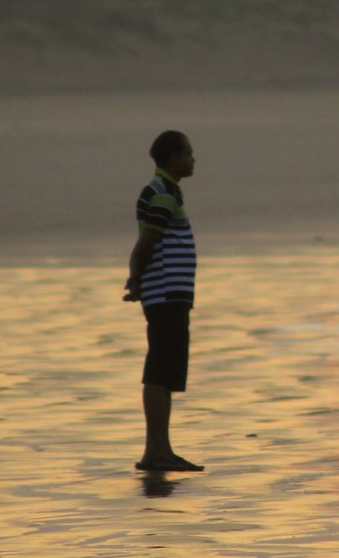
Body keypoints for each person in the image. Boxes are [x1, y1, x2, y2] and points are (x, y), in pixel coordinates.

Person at [123, 130, 203, 472]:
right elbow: (147, 242)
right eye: (189, 154)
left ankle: (162, 449)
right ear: (173, 158)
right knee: (159, 369)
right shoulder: (161, 193)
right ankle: (155, 451)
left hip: (171, 293)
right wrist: (136, 279)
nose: (193, 160)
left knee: (166, 370)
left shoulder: (168, 191)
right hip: (166, 293)